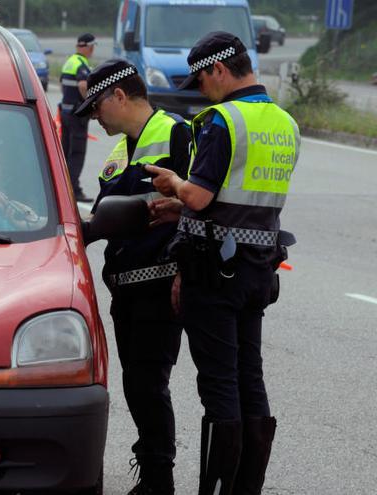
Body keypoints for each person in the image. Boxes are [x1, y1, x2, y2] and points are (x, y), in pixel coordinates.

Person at [145, 32, 299, 495]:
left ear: (218, 69)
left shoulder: (222, 120)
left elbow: (203, 193)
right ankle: (245, 488)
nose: (201, 90)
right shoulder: (284, 122)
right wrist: (186, 207)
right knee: (250, 375)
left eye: (203, 80)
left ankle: (216, 488)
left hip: (214, 271)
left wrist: (174, 186)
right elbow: (246, 200)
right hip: (259, 266)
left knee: (219, 383)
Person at [75, 59, 191, 495]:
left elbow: (196, 207)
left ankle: (158, 477)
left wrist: (184, 270)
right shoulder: (121, 149)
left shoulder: (177, 134)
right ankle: (153, 469)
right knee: (136, 384)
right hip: (125, 286)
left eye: (95, 107)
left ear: (119, 96)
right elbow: (108, 217)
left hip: (160, 285)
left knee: (148, 383)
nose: (93, 118)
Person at [59, 33, 95, 203]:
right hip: (76, 115)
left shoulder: (69, 62)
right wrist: (89, 103)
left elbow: (62, 86)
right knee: (77, 153)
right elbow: (82, 84)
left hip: (65, 113)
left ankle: (63, 186)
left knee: (65, 152)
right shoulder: (82, 65)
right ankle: (73, 190)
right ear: (88, 47)